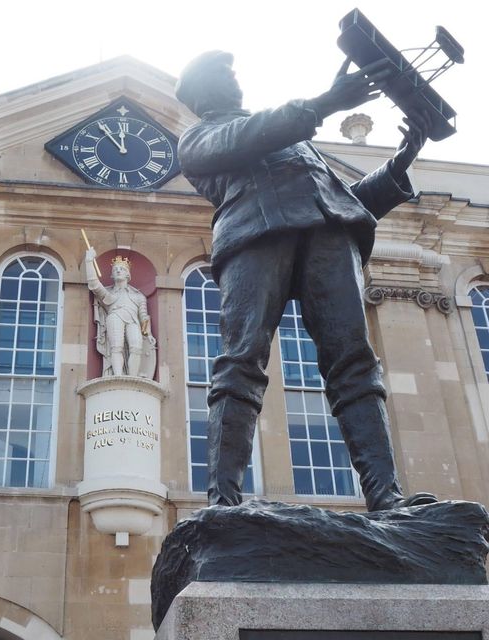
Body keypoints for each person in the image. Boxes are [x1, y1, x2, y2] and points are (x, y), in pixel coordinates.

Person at [175, 50, 437, 511]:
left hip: (327, 236)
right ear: (203, 93)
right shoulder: (202, 137)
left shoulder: (291, 134)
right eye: (223, 74)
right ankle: (223, 499)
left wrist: (398, 164)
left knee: (355, 360)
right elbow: (248, 136)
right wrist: (324, 103)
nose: (235, 80)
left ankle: (384, 494)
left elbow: (342, 200)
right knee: (242, 360)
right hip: (255, 234)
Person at [85, 248, 156, 378]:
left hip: (133, 321)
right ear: (112, 275)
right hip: (115, 317)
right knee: (116, 347)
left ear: (128, 275)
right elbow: (94, 284)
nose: (118, 270)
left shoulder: (138, 296)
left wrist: (149, 333)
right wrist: (89, 261)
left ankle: (132, 377)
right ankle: (118, 377)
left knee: (136, 347)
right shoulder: (109, 294)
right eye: (115, 269)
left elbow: (144, 316)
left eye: (122, 269)